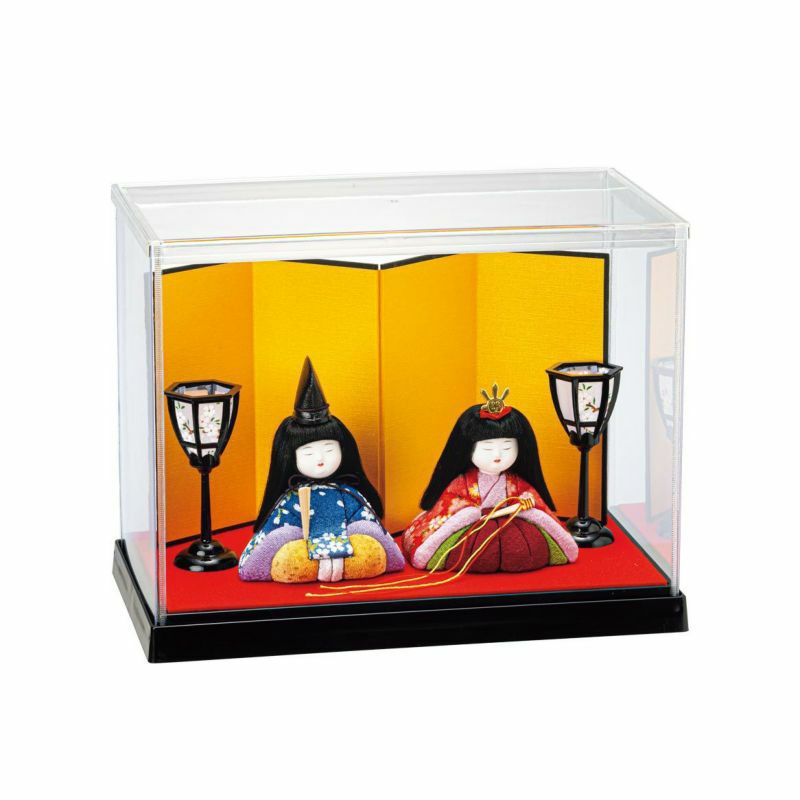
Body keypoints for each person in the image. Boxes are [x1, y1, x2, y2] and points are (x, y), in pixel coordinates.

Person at [239, 357, 404, 583]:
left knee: (366, 529)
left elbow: (373, 531)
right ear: (290, 457)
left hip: (350, 556)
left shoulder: (349, 495)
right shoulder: (291, 500)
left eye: (329, 449)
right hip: (302, 557)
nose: (320, 459)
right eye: (308, 453)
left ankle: (336, 566)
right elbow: (271, 537)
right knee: (284, 536)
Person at [403, 385, 578, 573]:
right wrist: (469, 513)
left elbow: (532, 502)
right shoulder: (462, 483)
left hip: (512, 526)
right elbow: (450, 503)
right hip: (473, 529)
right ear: (467, 448)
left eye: (507, 447)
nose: (497, 455)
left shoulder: (516, 483)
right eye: (487, 448)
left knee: (525, 542)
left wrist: (525, 505)